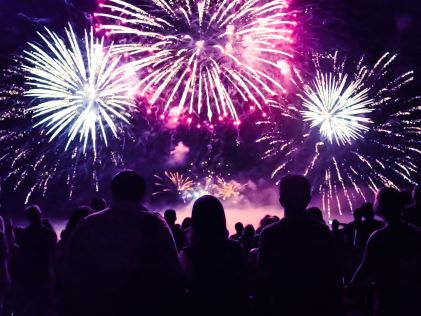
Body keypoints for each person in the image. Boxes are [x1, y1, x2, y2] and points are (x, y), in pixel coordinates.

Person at [61, 170, 184, 316]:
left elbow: (70, 272)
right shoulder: (155, 224)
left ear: (113, 193)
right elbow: (173, 273)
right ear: (142, 194)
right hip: (145, 307)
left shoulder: (88, 224)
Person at [257, 175, 342, 316]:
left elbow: (263, 278)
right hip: (315, 306)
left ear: (281, 201)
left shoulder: (269, 234)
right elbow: (331, 274)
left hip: (280, 305)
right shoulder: (321, 232)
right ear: (308, 199)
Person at [348, 187, 421, 316]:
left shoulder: (378, 236)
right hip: (413, 295)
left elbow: (364, 269)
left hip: (387, 295)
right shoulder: (415, 232)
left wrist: (349, 287)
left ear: (380, 206)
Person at [179, 195, 248, 316]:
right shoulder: (236, 248)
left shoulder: (187, 254)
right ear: (221, 219)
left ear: (196, 221)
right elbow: (244, 284)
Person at [14, 205, 57, 316]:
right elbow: (54, 252)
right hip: (46, 271)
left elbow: (22, 254)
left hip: (30, 273)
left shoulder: (25, 233)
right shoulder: (49, 233)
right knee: (46, 305)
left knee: (32, 305)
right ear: (40, 214)